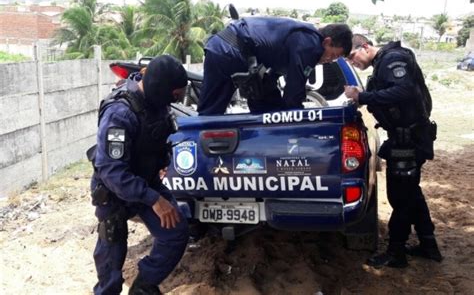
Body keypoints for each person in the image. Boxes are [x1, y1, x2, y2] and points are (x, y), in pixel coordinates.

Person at [88, 55, 189, 294]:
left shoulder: (157, 104)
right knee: (111, 261)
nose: (178, 99)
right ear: (161, 88)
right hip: (114, 191)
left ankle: (143, 288)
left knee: (176, 232)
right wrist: (154, 199)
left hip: (145, 182)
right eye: (176, 94)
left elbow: (160, 139)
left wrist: (164, 163)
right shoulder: (120, 113)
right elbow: (112, 170)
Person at [344, 34, 442, 268]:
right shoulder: (383, 64)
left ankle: (396, 252)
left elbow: (404, 90)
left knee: (400, 197)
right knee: (411, 193)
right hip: (406, 138)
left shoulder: (392, 59)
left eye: (352, 56)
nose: (351, 62)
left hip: (409, 140)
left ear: (365, 47)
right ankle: (429, 245)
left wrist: (364, 96)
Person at [197, 17, 353, 115]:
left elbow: (276, 80)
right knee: (211, 112)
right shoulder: (310, 44)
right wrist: (301, 123)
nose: (329, 60)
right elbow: (294, 90)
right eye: (333, 55)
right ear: (326, 42)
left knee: (271, 108)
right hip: (227, 50)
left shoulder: (305, 38)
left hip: (241, 55)